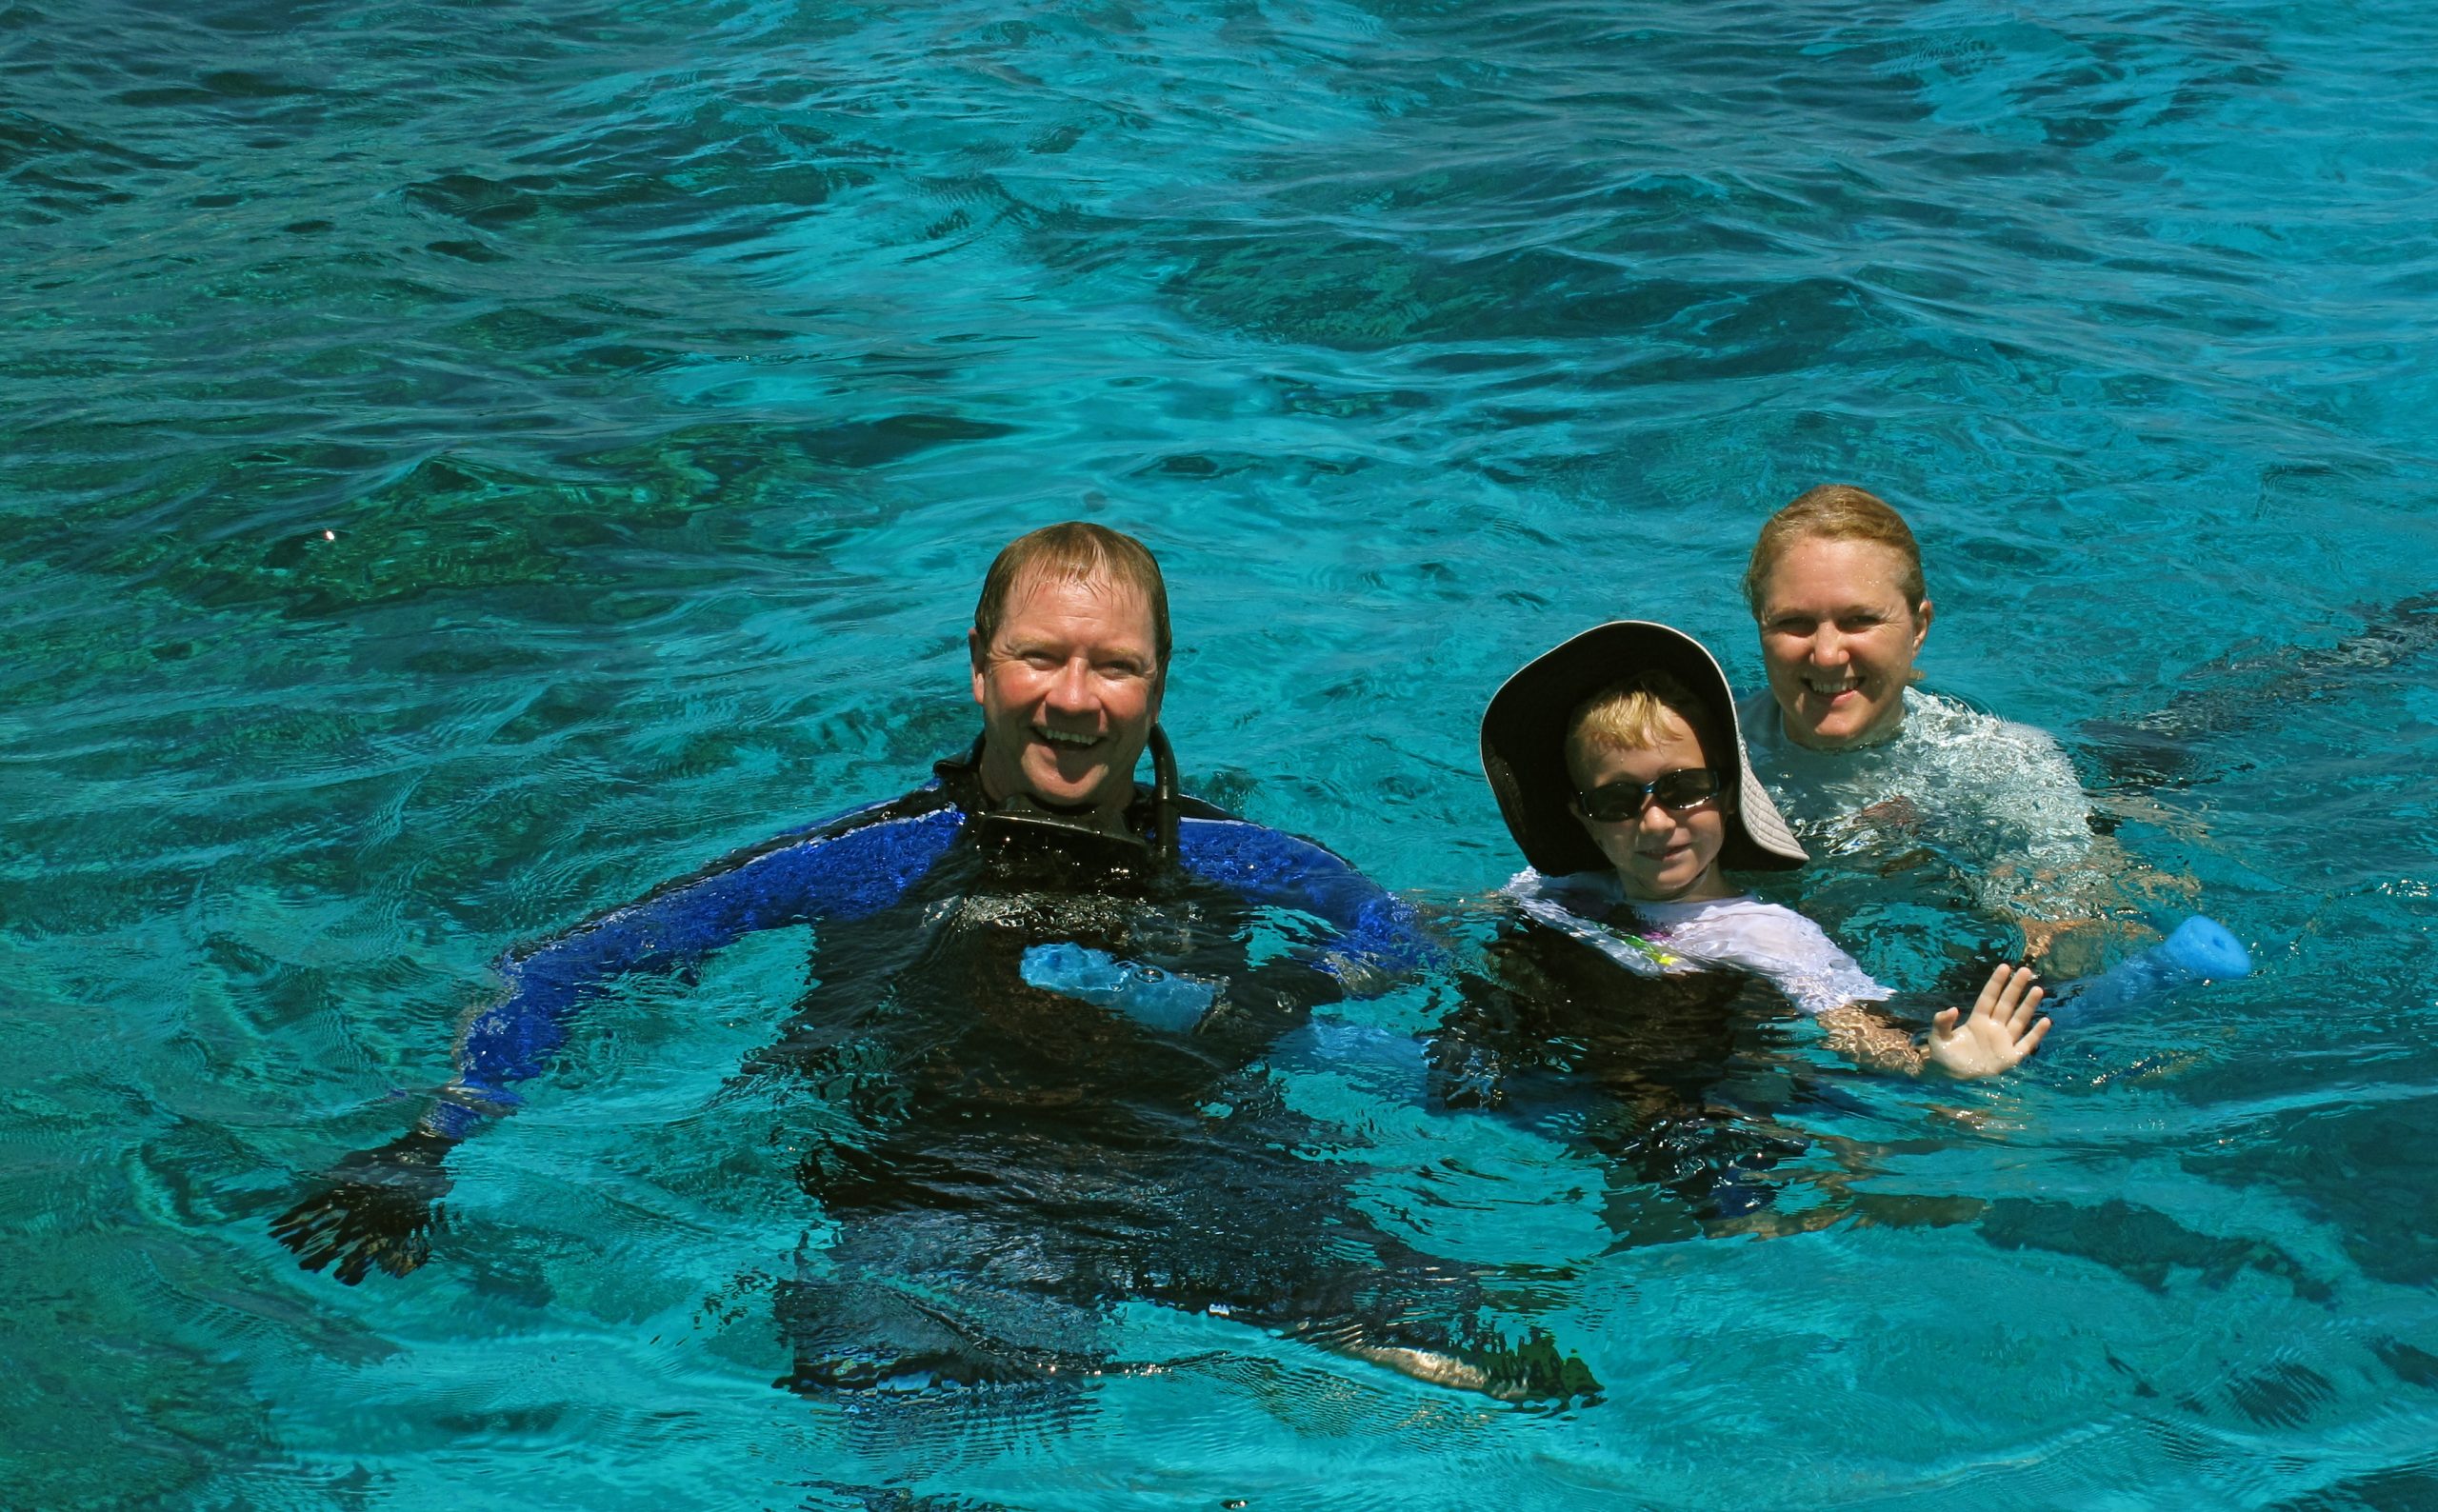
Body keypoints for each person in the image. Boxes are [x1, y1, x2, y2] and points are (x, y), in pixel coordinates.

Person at [272, 521, 1592, 1403]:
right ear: (979, 671)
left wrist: (1295, 989)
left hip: (1199, 1163)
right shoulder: (870, 856)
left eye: (1113, 666)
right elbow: (562, 966)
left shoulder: (1242, 853)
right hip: (935, 1191)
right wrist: (431, 1143)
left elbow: (1397, 931)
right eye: (1040, 656)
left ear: (1158, 683)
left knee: (1521, 1373)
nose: (1074, 696)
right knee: (923, 1453)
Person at [1475, 620, 2048, 1080]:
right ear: (1587, 821)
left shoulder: (1768, 935)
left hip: (1703, 1092)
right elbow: (1457, 924)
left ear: (1726, 795)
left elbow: (1851, 1027)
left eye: (1683, 790)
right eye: (1617, 801)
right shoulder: (1554, 886)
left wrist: (1933, 1067)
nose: (1655, 822)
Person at [1739, 484, 2120, 961]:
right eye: (1793, 622)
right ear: (1759, 625)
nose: (1827, 654)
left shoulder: (2004, 765)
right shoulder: (1704, 748)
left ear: (1918, 628)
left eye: (1859, 620)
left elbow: (2071, 943)